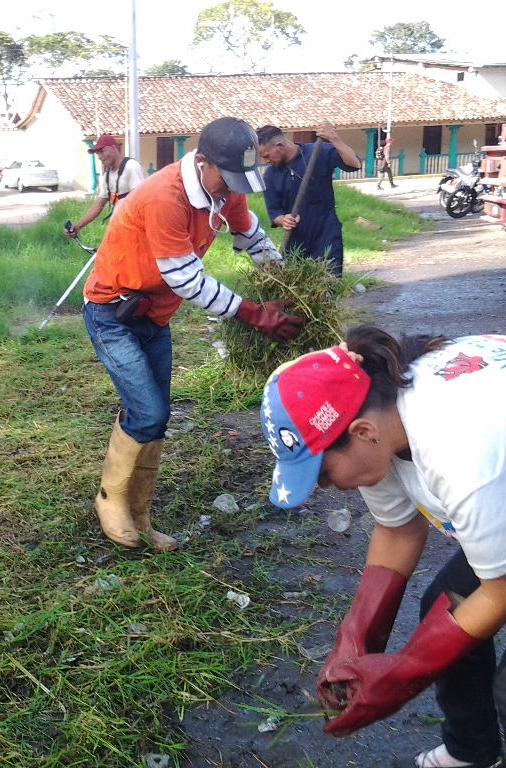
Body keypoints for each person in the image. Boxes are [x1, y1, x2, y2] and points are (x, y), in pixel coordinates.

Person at [260, 325, 506, 768]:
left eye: (321, 473)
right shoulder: (376, 420)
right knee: (443, 603)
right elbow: (397, 531)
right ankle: (473, 751)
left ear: (361, 432)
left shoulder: (460, 440)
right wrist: (355, 637)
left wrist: (404, 674)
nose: (323, 486)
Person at [84, 117, 304, 553]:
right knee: (146, 413)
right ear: (201, 162)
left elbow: (253, 240)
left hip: (156, 317)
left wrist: (288, 286)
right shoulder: (166, 196)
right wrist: (255, 314)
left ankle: (141, 514)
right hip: (112, 313)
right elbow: (186, 278)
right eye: (226, 179)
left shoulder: (227, 191)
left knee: (156, 415)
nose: (231, 190)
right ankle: (111, 501)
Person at [256, 122, 362, 276]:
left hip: (327, 237)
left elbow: (355, 164)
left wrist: (334, 139)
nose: (266, 160)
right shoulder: (270, 176)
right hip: (295, 244)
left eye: (267, 155)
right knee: (295, 294)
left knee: (328, 287)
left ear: (279, 145)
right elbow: (274, 213)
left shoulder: (318, 152)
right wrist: (283, 220)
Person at [65, 134, 145, 238]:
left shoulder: (131, 167)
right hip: (117, 230)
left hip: (134, 231)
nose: (99, 157)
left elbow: (141, 200)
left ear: (114, 148)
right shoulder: (107, 175)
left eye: (102, 152)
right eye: (97, 154)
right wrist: (78, 226)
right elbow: (99, 205)